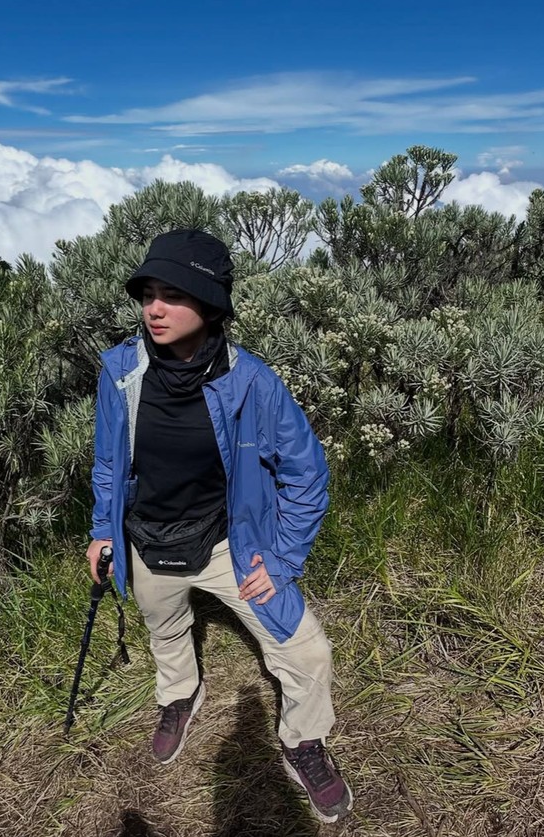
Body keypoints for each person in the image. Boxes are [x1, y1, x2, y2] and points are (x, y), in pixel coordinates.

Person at [86, 229, 353, 825]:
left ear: (210, 307)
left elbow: (306, 473)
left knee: (307, 651)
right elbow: (108, 462)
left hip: (231, 544)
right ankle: (180, 694)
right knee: (164, 628)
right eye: (148, 295)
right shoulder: (121, 371)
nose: (154, 309)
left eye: (173, 295)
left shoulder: (252, 382)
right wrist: (104, 531)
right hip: (146, 540)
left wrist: (280, 560)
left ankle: (303, 740)